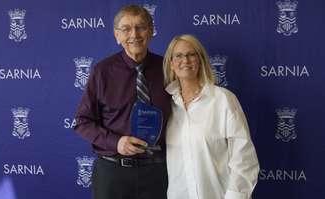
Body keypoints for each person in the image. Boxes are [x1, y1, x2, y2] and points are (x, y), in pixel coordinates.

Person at [74, 4, 171, 199]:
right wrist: (116, 142)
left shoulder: (168, 68)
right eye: (126, 29)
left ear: (151, 31)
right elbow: (82, 122)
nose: (134, 34)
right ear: (117, 36)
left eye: (141, 27)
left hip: (159, 172)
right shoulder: (102, 72)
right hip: (113, 172)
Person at [163, 34, 260, 199]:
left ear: (200, 60)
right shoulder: (166, 105)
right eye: (178, 55)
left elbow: (243, 157)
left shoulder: (223, 99)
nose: (185, 60)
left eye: (191, 54)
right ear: (171, 64)